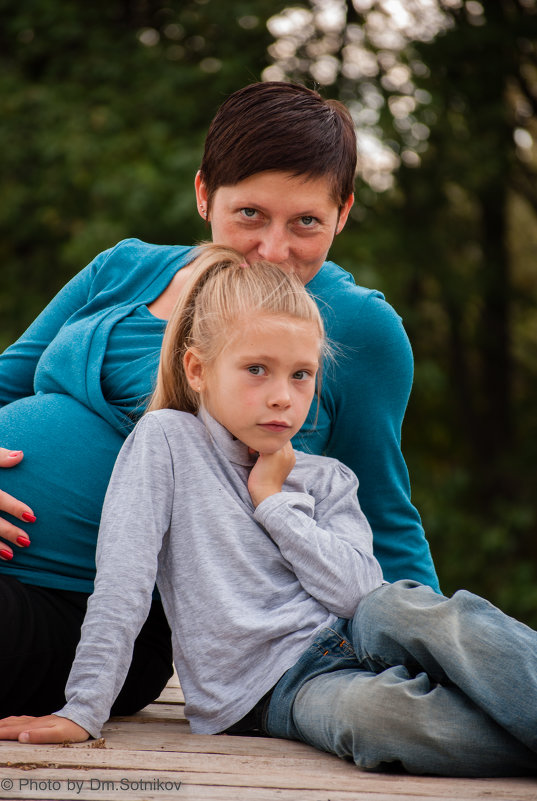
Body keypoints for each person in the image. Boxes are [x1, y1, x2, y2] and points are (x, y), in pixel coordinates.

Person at [1, 245, 535, 780]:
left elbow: (358, 593)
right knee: (385, 720)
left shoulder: (327, 476)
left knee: (427, 614)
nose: (283, 396)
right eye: (257, 369)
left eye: (301, 375)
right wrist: (83, 710)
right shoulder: (166, 441)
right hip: (275, 687)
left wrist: (276, 503)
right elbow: (125, 577)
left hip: (359, 628)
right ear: (197, 369)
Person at [0, 81, 439, 718]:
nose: (273, 249)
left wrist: (425, 654)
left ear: (343, 213)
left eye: (306, 223)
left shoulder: (357, 329)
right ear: (205, 194)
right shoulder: (123, 268)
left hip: (97, 615)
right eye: (250, 215)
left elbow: (383, 513)